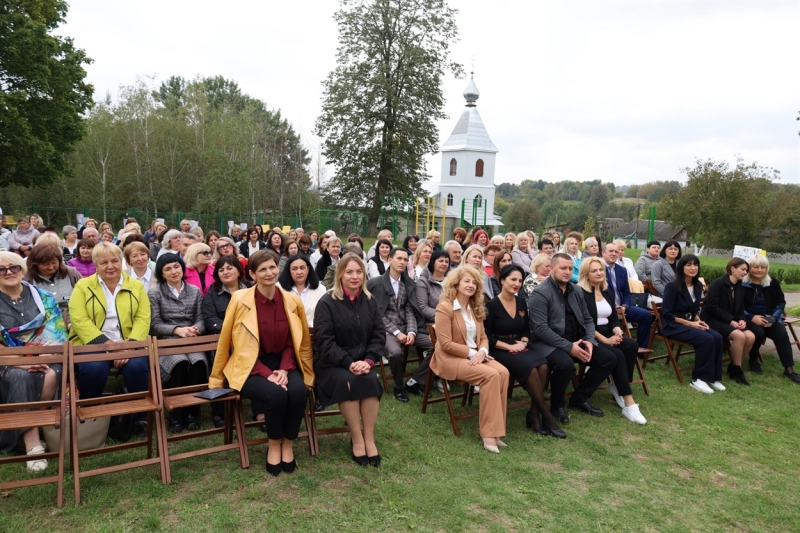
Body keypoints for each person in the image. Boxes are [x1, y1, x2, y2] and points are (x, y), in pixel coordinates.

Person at [208, 250, 313, 475]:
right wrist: (267, 374)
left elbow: (296, 342)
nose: (269, 273)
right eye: (262, 269)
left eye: (272, 267)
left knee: (297, 392)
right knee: (275, 394)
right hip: (249, 366)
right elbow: (229, 342)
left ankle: (288, 442)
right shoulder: (239, 300)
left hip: (285, 363)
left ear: (278, 268)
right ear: (252, 274)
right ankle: (274, 444)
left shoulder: (292, 301)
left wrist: (284, 369)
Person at [68, 243, 151, 435]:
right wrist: (106, 345)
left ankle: (140, 418)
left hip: (128, 343)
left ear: (121, 262)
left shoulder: (135, 285)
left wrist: (128, 346)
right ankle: (90, 416)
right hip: (93, 343)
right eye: (104, 262)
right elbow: (78, 319)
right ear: (95, 265)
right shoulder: (83, 286)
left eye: (115, 261)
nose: (110, 266)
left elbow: (143, 317)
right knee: (93, 368)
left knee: (138, 366)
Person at [528, 253, 619, 423]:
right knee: (565, 364)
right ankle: (557, 405)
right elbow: (540, 329)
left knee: (608, 358)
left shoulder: (576, 290)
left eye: (570, 268)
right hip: (548, 343)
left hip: (578, 340)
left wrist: (590, 341)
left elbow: (588, 319)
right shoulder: (540, 293)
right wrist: (569, 347)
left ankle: (579, 398)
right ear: (552, 269)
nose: (567, 272)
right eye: (563, 268)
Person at [0, 252, 69, 473]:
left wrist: (38, 358)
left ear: (22, 269)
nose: (8, 272)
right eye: (1, 269)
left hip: (46, 356)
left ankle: (25, 432)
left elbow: (57, 335)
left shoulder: (44, 297)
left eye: (13, 267)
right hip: (6, 361)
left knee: (50, 373)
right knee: (21, 375)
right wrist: (21, 362)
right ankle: (33, 444)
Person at [314, 253, 384, 467]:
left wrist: (369, 360)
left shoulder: (369, 301)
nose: (355, 276)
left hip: (363, 362)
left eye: (359, 271)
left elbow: (378, 335)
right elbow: (324, 342)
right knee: (350, 382)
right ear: (340, 274)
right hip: (333, 363)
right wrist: (348, 363)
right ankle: (356, 437)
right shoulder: (327, 302)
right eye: (349, 272)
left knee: (371, 381)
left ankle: (369, 438)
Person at [433, 266, 510, 453]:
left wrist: (482, 351)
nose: (471, 285)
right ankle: (488, 434)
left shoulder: (475, 308)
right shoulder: (445, 307)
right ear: (456, 283)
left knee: (503, 372)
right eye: (467, 281)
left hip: (476, 354)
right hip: (450, 358)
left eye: (474, 282)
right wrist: (471, 352)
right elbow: (445, 343)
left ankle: (497, 431)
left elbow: (483, 336)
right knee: (491, 375)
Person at [485, 265, 566, 438]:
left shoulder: (521, 302)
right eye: (513, 279)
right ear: (502, 280)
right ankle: (547, 415)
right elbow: (485, 336)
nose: (517, 284)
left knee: (544, 365)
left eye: (520, 281)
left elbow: (525, 329)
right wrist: (509, 347)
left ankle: (534, 413)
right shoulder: (491, 305)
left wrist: (523, 341)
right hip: (500, 349)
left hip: (520, 345)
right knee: (530, 369)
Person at [578, 258, 647, 424]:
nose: (599, 273)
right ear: (586, 274)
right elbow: (585, 323)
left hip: (608, 332)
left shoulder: (607, 291)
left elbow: (614, 319)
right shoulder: (581, 293)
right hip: (589, 335)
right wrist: (606, 340)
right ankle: (628, 401)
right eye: (594, 270)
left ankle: (619, 385)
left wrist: (617, 332)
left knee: (631, 345)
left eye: (601, 269)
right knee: (616, 355)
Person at [149, 253, 207, 433]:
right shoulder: (155, 292)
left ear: (182, 267)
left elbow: (201, 318)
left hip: (191, 337)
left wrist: (195, 329)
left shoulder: (194, 291)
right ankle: (176, 413)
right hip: (169, 340)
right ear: (161, 274)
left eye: (176, 266)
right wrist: (177, 330)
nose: (173, 271)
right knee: (179, 363)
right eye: (168, 269)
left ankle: (192, 412)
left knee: (198, 362)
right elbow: (154, 324)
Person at [367, 247, 433, 401]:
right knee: (396, 353)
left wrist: (411, 332)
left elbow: (410, 309)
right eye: (399, 258)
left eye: (405, 259)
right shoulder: (376, 283)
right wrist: (397, 332)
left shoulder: (408, 283)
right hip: (385, 330)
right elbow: (377, 315)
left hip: (407, 328)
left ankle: (415, 381)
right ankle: (398, 386)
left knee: (437, 346)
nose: (402, 262)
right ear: (390, 260)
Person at [660, 255, 724, 394]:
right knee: (706, 339)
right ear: (681, 267)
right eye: (688, 265)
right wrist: (691, 324)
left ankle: (712, 377)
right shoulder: (672, 286)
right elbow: (667, 314)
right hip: (673, 325)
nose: (693, 268)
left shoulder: (698, 285)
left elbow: (693, 310)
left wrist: (698, 320)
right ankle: (698, 379)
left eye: (695, 265)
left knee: (717, 337)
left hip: (690, 322)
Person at [201, 256, 249, 427]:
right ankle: (219, 412)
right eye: (221, 270)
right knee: (219, 362)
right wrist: (231, 331)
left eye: (229, 268)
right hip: (223, 339)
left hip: (250, 338)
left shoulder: (251, 288)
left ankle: (259, 411)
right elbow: (209, 318)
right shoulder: (213, 291)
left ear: (238, 270)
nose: (225, 272)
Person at [743, 255, 800, 382]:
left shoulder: (772, 282)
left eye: (763, 267)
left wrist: (773, 318)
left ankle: (789, 369)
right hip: (749, 318)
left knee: (781, 333)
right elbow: (736, 306)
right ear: (749, 267)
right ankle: (753, 359)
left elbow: (780, 302)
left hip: (769, 318)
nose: (759, 270)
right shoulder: (742, 283)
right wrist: (751, 317)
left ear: (767, 269)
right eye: (756, 267)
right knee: (758, 332)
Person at [700, 257, 756, 386]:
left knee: (751, 336)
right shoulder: (718, 284)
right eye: (743, 269)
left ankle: (734, 366)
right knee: (739, 336)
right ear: (732, 268)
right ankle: (737, 370)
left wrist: (742, 320)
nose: (745, 272)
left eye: (746, 270)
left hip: (730, 320)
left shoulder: (740, 287)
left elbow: (741, 309)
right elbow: (711, 307)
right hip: (712, 319)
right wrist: (731, 321)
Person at [601, 243, 654, 351]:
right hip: (606, 309)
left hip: (623, 307)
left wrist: (625, 305)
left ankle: (641, 348)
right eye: (611, 251)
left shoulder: (622, 270)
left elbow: (627, 293)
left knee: (646, 315)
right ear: (603, 253)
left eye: (616, 252)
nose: (614, 254)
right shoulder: (598, 270)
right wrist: (613, 308)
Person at [413, 249, 450, 393]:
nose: (444, 264)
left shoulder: (451, 280)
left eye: (446, 261)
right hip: (427, 326)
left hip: (449, 324)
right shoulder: (423, 282)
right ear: (433, 262)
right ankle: (434, 378)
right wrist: (445, 316)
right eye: (440, 260)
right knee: (439, 346)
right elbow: (423, 308)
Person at [24, 244, 82, 319]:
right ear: (35, 264)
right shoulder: (28, 279)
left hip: (74, 320)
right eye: (45, 264)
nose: (51, 267)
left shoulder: (72, 273)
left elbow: (86, 294)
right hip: (45, 324)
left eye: (54, 262)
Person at [277, 254, 327, 328]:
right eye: (294, 269)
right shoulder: (278, 288)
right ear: (289, 271)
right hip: (287, 333)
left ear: (308, 269)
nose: (299, 272)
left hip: (313, 333)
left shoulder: (321, 289)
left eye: (302, 268)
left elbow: (324, 316)